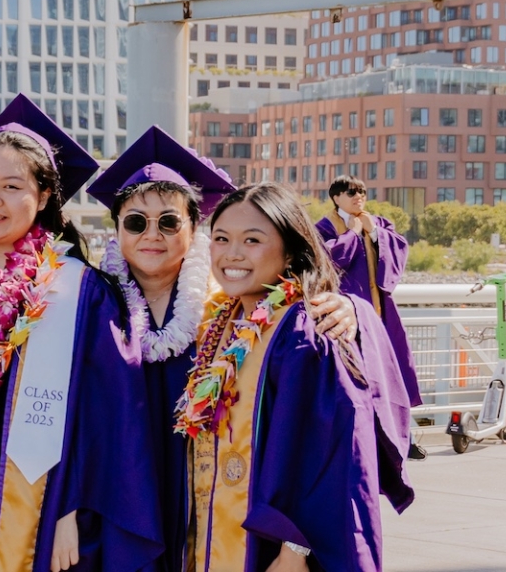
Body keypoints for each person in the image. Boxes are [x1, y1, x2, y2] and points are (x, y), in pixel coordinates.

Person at [0, 94, 161, 572]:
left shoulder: (82, 292)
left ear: (43, 197)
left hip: (49, 510)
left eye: (11, 186)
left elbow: (110, 415)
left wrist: (71, 505)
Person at [84, 127, 360, 570]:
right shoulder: (92, 304)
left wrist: (353, 309)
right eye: (135, 222)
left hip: (217, 507)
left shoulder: (226, 306)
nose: (152, 234)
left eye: (169, 222)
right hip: (119, 504)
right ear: (116, 229)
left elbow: (326, 426)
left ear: (193, 228)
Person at [179, 183, 413, 572]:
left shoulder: (307, 329)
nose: (232, 253)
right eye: (221, 238)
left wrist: (295, 549)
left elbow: (334, 451)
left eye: (252, 240)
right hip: (213, 532)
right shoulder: (221, 324)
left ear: (290, 250)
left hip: (277, 547)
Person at [314, 177, 424, 459]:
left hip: (379, 313)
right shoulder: (322, 229)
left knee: (390, 374)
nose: (358, 196)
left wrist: (373, 233)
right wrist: (353, 234)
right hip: (343, 319)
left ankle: (403, 439)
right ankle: (360, 440)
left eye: (362, 191)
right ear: (336, 197)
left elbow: (398, 252)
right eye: (351, 192)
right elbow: (328, 262)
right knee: (355, 378)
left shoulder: (378, 223)